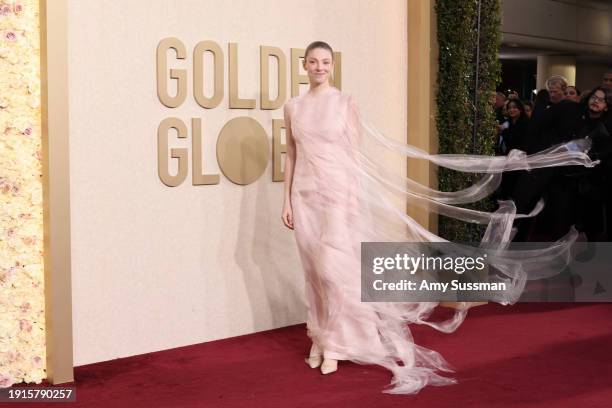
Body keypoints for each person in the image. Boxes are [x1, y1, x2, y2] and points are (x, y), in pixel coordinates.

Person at [281, 41, 597, 394]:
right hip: (304, 195)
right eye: (313, 62)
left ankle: (338, 344)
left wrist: (355, 201)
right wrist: (287, 200)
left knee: (333, 268)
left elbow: (354, 156)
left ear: (332, 65)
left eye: (325, 61)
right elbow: (292, 156)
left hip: (338, 194)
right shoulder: (292, 107)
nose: (319, 67)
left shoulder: (344, 104)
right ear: (304, 65)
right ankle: (321, 338)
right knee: (312, 269)